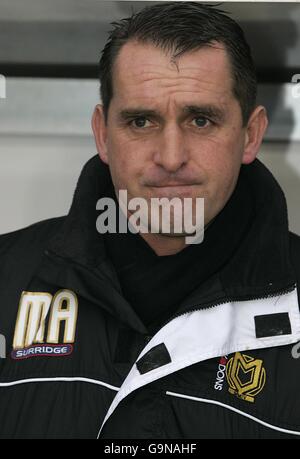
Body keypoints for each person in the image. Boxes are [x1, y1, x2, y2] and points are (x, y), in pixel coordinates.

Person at [0, 1, 300, 440]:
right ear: (103, 134)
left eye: (201, 119)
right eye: (141, 121)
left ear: (250, 135)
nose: (172, 158)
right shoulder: (6, 277)